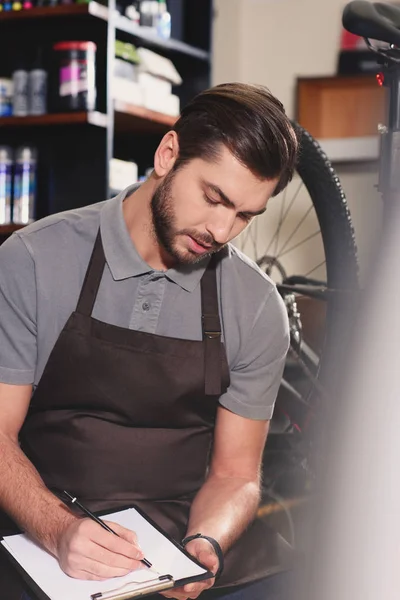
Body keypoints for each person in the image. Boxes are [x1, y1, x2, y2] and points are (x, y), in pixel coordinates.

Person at [0, 82, 298, 600]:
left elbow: (236, 474)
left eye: (246, 214)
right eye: (214, 197)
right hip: (46, 523)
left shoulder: (256, 306)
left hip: (176, 539)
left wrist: (206, 543)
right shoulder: (33, 260)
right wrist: (57, 529)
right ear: (167, 155)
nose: (223, 230)